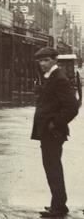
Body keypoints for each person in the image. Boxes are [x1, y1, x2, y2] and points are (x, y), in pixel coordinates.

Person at [32, 47, 79, 218]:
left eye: (46, 60)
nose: (42, 64)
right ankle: (57, 203)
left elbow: (73, 107)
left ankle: (59, 206)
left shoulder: (59, 79)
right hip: (48, 132)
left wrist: (54, 124)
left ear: (54, 60)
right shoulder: (50, 77)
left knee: (53, 168)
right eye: (40, 60)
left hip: (53, 133)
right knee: (51, 167)